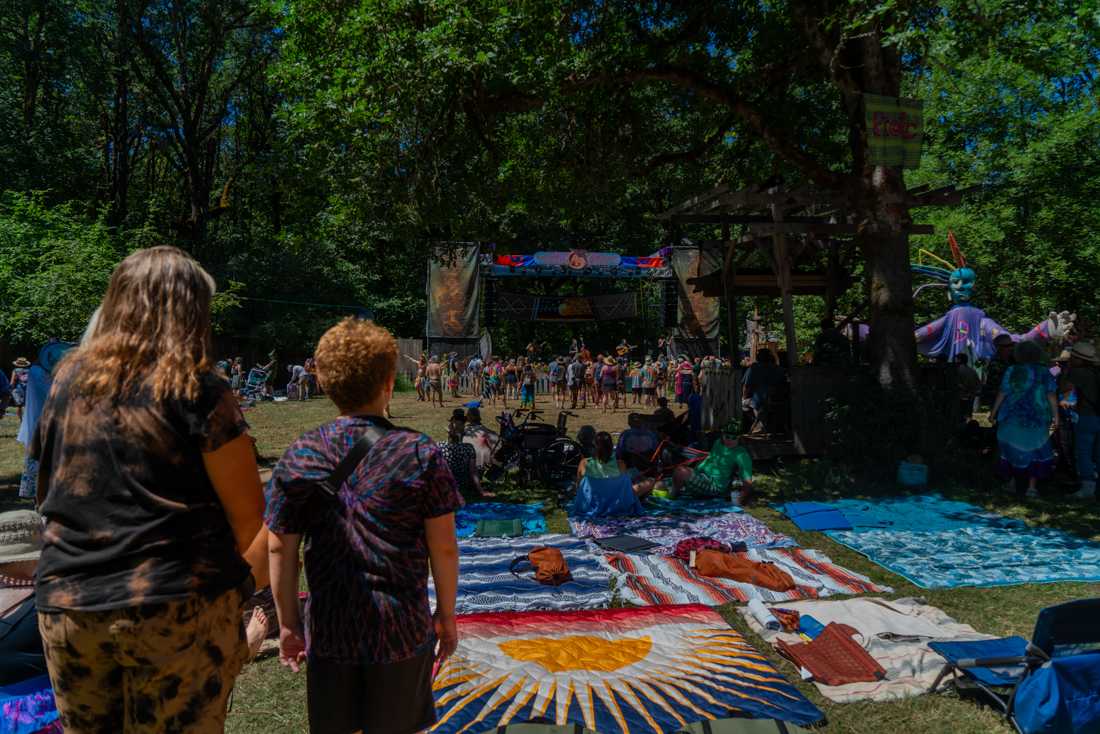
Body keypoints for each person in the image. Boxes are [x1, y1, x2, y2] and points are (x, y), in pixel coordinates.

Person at [31, 246, 270, 732]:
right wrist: (252, 597)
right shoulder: (199, 388)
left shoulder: (63, 383)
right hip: (175, 604)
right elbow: (250, 518)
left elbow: (46, 494)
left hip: (69, 607)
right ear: (189, 310)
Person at [266, 317, 461, 734]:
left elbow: (280, 547)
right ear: (389, 381)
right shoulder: (420, 453)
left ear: (323, 381)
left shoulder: (300, 454)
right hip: (402, 625)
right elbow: (443, 547)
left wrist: (287, 624)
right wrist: (446, 614)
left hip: (332, 627)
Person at [989, 340, 1058, 498]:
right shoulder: (1045, 372)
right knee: (1036, 450)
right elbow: (1051, 395)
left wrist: (993, 413)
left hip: (1012, 415)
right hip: (1039, 417)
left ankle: (1013, 481)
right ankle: (1031, 487)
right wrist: (1056, 417)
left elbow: (1003, 392)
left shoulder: (1012, 370)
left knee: (1012, 448)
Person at [671, 422, 754, 504]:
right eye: (727, 436)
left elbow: (748, 483)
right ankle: (678, 492)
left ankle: (672, 497)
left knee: (680, 472)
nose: (730, 440)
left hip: (714, 485)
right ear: (722, 435)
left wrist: (740, 501)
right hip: (702, 476)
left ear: (739, 438)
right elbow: (709, 458)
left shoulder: (741, 455)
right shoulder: (718, 443)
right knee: (660, 485)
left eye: (734, 437)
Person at [1062, 342, 1100, 499]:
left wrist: (1066, 372)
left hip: (1086, 416)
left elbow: (1066, 390)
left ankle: (1087, 487)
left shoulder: (1078, 373)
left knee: (1083, 452)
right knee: (1098, 452)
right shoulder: (1096, 372)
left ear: (1078, 358)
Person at [440, 409, 486, 497]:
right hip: (463, 486)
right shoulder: (468, 448)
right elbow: (473, 472)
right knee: (479, 468)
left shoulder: (439, 446)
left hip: (446, 486)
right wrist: (481, 491)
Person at [742, 350, 784, 433]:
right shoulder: (778, 369)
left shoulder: (754, 368)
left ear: (758, 358)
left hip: (760, 400)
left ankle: (760, 423)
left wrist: (744, 397)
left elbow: (746, 386)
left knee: (743, 404)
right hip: (778, 398)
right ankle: (761, 422)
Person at [981, 333, 1016, 408]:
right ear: (998, 347)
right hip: (1000, 400)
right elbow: (997, 385)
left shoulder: (1014, 361)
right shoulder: (995, 363)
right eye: (1007, 346)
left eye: (1012, 345)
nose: (1011, 348)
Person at [956, 353, 981, 420]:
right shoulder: (972, 371)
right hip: (970, 396)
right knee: (968, 414)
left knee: (960, 415)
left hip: (960, 396)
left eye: (957, 359)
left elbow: (956, 384)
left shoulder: (956, 370)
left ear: (959, 360)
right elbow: (978, 384)